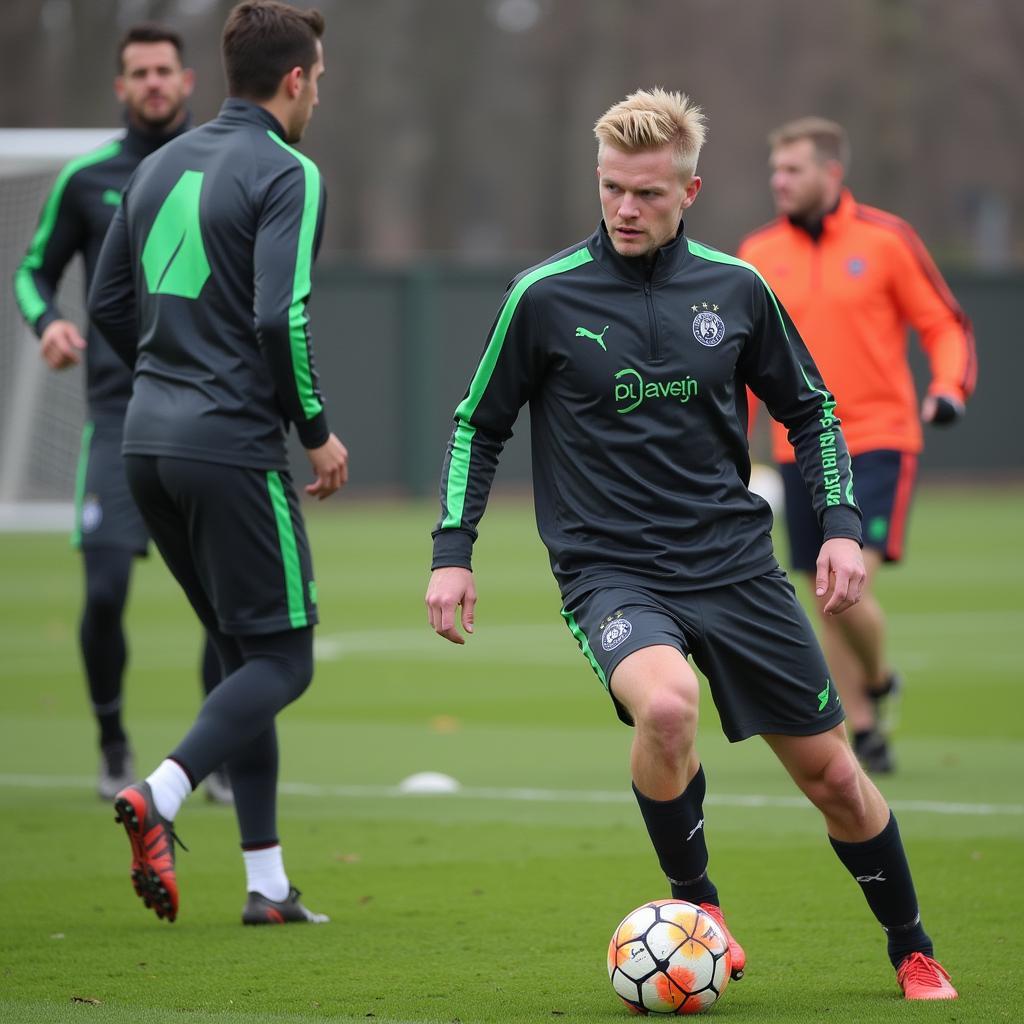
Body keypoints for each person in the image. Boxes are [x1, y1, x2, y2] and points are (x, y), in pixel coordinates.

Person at [425, 89, 957, 1000]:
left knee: (835, 776)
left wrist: (838, 530)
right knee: (667, 712)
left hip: (736, 565)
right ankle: (699, 910)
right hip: (612, 571)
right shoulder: (543, 296)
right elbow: (479, 425)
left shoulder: (738, 288)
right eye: (611, 190)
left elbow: (814, 414)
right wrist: (452, 549)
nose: (626, 210)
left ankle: (911, 946)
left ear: (690, 191)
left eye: (648, 194)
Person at [87, 0, 348, 926]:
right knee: (285, 659)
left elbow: (110, 302)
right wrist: (312, 428)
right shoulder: (290, 170)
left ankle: (268, 887)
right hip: (230, 446)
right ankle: (158, 793)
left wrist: (168, 371)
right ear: (295, 78)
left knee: (246, 658)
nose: (319, 88)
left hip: (144, 443)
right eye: (318, 74)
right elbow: (283, 316)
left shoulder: (157, 164)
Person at [13, 23, 233, 806]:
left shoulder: (218, 168)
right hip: (117, 415)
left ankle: (217, 754)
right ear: (121, 86)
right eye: (137, 72)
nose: (152, 83)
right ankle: (112, 740)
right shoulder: (86, 179)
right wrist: (50, 325)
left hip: (207, 409)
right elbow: (33, 273)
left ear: (187, 79)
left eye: (163, 70)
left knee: (224, 599)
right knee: (104, 590)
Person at [738, 118, 977, 774]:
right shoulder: (758, 254)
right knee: (826, 588)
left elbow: (943, 322)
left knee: (843, 579)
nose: (779, 182)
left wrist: (949, 386)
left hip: (876, 438)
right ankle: (866, 728)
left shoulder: (886, 239)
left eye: (793, 170)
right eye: (775, 170)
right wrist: (732, 438)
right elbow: (743, 362)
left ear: (831, 173)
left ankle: (872, 685)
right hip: (796, 450)